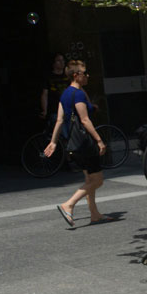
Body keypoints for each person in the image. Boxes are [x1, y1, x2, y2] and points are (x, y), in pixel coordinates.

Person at [44, 59, 109, 228]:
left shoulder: (65, 94)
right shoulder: (78, 94)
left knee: (89, 179)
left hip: (73, 143)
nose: (87, 75)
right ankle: (69, 204)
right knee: (98, 180)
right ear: (76, 75)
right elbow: (85, 120)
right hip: (85, 142)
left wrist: (53, 142)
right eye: (84, 73)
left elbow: (59, 120)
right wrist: (99, 140)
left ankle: (94, 214)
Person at [39, 52, 67, 122]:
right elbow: (44, 94)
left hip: (70, 109)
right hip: (56, 110)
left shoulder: (68, 76)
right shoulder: (48, 77)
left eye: (63, 60)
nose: (61, 62)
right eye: (58, 60)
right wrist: (44, 110)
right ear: (53, 63)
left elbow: (79, 89)